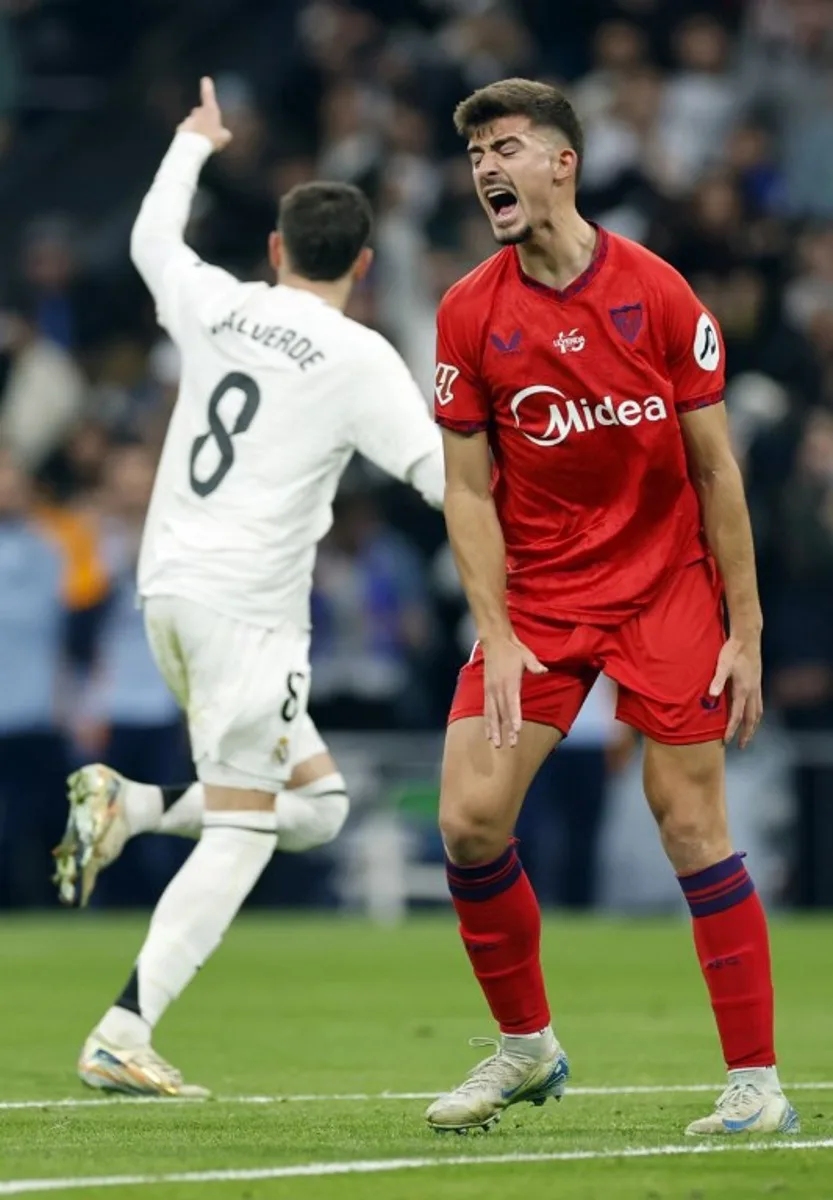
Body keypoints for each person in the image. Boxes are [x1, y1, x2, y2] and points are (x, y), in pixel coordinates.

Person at [52, 77, 444, 1098]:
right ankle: (123, 1030)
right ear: (360, 265)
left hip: (168, 591)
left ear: (275, 250)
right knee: (246, 828)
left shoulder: (221, 304)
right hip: (248, 611)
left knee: (316, 807)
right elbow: (441, 479)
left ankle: (133, 806)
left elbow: (148, 241)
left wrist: (191, 143)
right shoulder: (362, 358)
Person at [425, 78, 797, 1138]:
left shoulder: (659, 294)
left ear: (561, 162)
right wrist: (491, 631)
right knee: (465, 820)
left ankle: (753, 1083)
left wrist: (746, 627)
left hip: (661, 587)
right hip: (538, 596)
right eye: (473, 156)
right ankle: (525, 1050)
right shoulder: (467, 312)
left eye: (503, 147)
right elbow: (463, 488)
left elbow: (717, 475)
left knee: (688, 822)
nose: (485, 167)